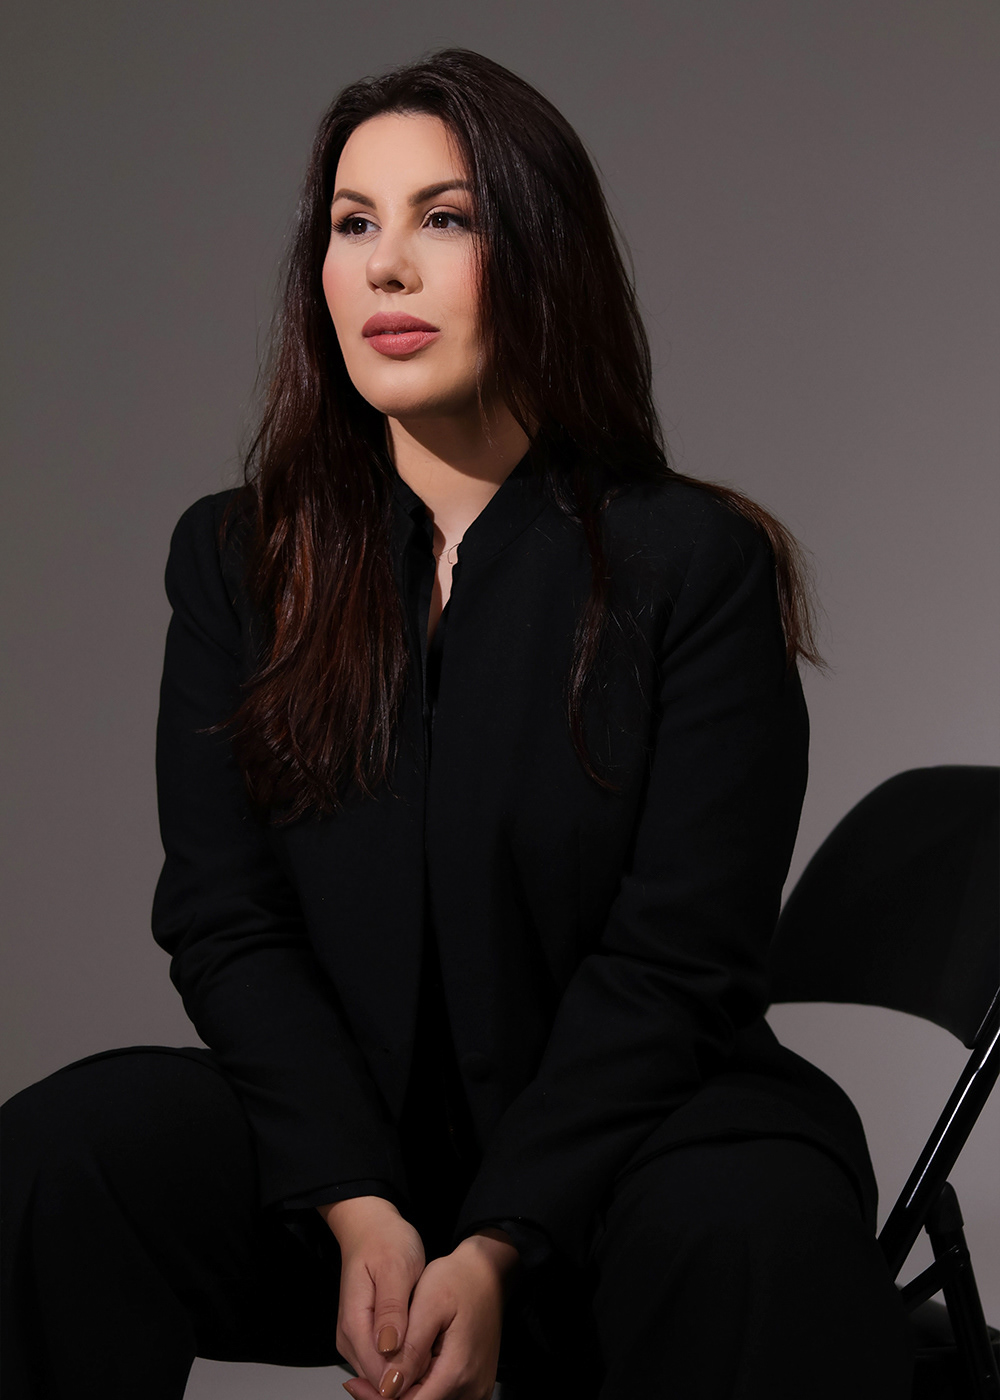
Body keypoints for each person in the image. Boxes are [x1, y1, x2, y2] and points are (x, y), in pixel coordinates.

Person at [1, 47, 914, 1400]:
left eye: (443, 218)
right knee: (61, 1157)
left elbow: (680, 959)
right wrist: (358, 1203)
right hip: (350, 1149)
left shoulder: (691, 565)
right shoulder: (241, 561)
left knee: (754, 1230)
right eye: (352, 223)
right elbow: (225, 917)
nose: (385, 265)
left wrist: (495, 1245)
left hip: (635, 1143)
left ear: (540, 256)